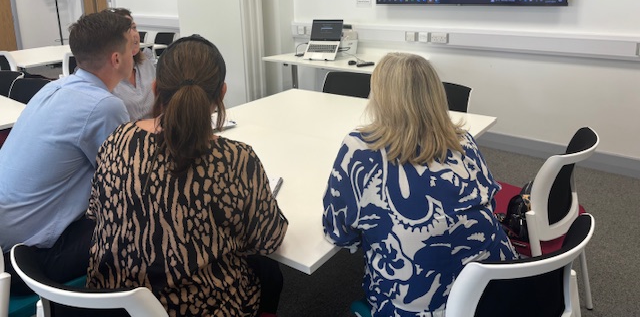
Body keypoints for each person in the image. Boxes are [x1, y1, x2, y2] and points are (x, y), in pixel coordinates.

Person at [87, 35, 288, 317]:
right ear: (222, 93)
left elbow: (96, 212)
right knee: (269, 273)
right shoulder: (237, 159)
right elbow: (269, 240)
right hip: (200, 307)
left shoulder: (117, 140)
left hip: (113, 304)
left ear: (156, 89)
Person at [322, 53, 518, 317]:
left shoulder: (361, 150)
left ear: (379, 97)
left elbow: (338, 231)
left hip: (418, 307)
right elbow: (489, 204)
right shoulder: (464, 140)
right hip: (503, 291)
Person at [0, 10, 134, 293]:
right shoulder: (103, 106)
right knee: (143, 219)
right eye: (130, 47)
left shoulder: (54, 88)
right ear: (117, 59)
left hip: (6, 242)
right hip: (30, 258)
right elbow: (130, 180)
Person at [110, 8, 156, 121]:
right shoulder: (108, 73)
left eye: (134, 27)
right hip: (126, 135)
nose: (134, 34)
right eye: (126, 30)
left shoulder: (146, 63)